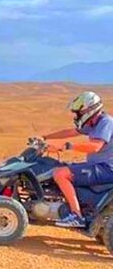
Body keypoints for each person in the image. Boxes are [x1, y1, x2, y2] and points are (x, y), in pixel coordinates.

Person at [41, 91, 113, 228]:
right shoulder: (93, 123)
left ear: (89, 109)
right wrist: (45, 137)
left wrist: (66, 146)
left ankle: (76, 216)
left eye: (78, 112)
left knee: (61, 174)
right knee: (56, 166)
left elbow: (95, 147)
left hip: (106, 168)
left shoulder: (106, 122)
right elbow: (70, 132)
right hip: (97, 165)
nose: (77, 116)